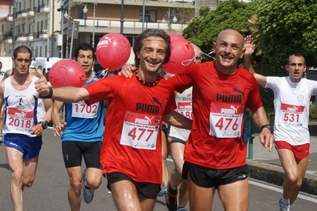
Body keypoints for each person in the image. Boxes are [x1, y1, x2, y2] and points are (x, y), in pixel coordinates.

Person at [35, 29, 192, 211]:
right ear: (138, 52)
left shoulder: (165, 88)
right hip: (119, 163)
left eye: (160, 52)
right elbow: (79, 93)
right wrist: (51, 91)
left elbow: (167, 115)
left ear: (165, 58)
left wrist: (199, 125)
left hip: (150, 168)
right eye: (148, 50)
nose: (154, 56)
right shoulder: (118, 82)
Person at [121, 29, 274, 211]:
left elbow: (256, 106)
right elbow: (163, 86)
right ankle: (172, 190)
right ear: (214, 47)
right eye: (223, 45)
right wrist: (136, 72)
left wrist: (265, 127)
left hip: (234, 162)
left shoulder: (247, 79)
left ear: (241, 52)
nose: (227, 51)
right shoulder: (198, 71)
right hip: (201, 161)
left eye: (234, 47)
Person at [243, 36, 317, 211]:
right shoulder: (279, 83)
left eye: (300, 65)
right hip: (283, 137)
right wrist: (247, 56)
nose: (296, 68)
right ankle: (284, 202)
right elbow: (252, 76)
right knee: (291, 177)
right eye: (293, 65)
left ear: (304, 68)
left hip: (303, 138)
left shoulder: (309, 85)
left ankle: (287, 204)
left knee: (298, 182)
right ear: (287, 67)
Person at [0, 45, 52, 211]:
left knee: (27, 181)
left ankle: (19, 192)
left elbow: (52, 109)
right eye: (20, 60)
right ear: (14, 60)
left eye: (26, 60)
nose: (23, 63)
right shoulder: (3, 85)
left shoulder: (38, 85)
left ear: (30, 61)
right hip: (12, 135)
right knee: (16, 174)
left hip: (32, 136)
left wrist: (43, 124)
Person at [51, 43, 104, 210]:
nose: (86, 60)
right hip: (71, 137)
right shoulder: (68, 83)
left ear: (94, 60)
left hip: (95, 138)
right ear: (75, 59)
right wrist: (57, 123)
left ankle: (88, 185)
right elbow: (55, 109)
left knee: (94, 181)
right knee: (75, 183)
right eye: (82, 57)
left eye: (89, 57)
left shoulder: (100, 83)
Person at [165, 44, 202, 211]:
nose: (195, 60)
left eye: (199, 57)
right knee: (182, 170)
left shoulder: (207, 79)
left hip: (198, 134)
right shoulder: (174, 77)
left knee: (190, 177)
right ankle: (172, 188)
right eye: (192, 57)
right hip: (178, 131)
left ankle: (180, 207)